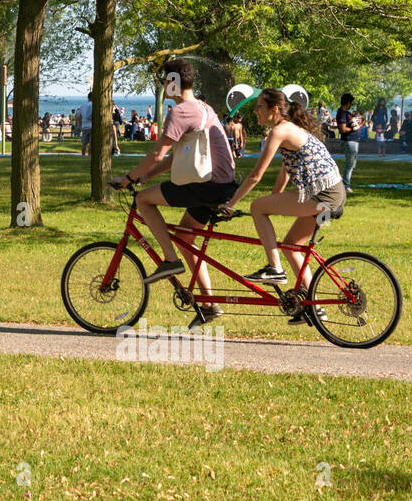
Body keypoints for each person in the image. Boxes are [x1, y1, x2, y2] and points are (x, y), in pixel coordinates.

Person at [112, 58, 237, 328]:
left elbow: (158, 153)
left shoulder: (180, 112)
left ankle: (169, 261)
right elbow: (176, 158)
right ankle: (210, 303)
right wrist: (145, 176)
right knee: (184, 236)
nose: (163, 86)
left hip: (205, 186)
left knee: (143, 199)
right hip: (220, 184)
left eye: (165, 80)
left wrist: (129, 179)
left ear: (174, 82)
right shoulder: (203, 107)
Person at [219, 89, 345, 324]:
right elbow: (285, 173)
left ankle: (274, 269)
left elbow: (256, 175)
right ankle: (314, 308)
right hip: (332, 194)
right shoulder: (290, 130)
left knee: (257, 207)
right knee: (291, 245)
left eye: (259, 107)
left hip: (323, 195)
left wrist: (230, 204)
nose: (255, 112)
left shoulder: (280, 130)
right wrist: (274, 200)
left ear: (274, 110)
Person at [335, 94, 360, 194]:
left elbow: (355, 121)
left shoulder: (347, 113)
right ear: (347, 102)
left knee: (352, 164)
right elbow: (342, 129)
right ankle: (346, 185)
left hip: (353, 141)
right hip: (349, 141)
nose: (351, 105)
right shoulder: (341, 113)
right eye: (351, 103)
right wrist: (353, 128)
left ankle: (344, 182)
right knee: (350, 164)